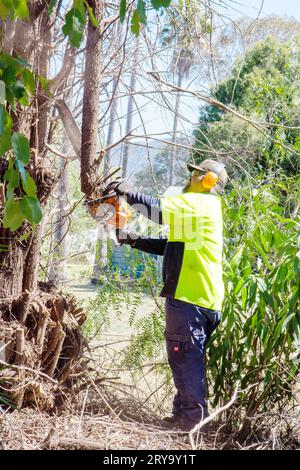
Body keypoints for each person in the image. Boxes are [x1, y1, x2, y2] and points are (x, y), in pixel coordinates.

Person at [106, 159, 227, 432]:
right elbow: (171, 246)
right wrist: (132, 239)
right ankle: (182, 415)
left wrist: (126, 191)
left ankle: (193, 426)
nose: (190, 177)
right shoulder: (205, 210)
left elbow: (158, 212)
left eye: (194, 172)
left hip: (189, 298)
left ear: (207, 179)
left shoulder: (200, 202)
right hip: (205, 299)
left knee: (184, 358)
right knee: (189, 359)